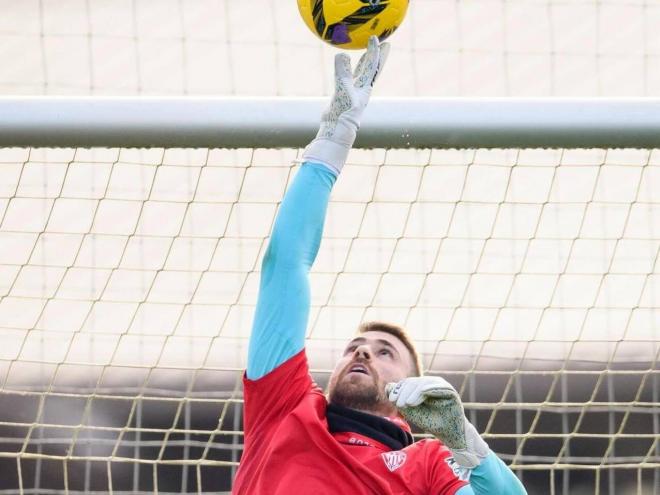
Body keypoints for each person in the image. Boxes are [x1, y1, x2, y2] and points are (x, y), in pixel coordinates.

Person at [232, 36, 527, 495]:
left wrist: (462, 442)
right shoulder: (284, 408)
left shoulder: (429, 463)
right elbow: (283, 265)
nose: (362, 353)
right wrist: (334, 136)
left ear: (411, 394)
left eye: (385, 352)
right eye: (355, 347)